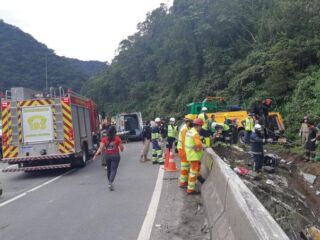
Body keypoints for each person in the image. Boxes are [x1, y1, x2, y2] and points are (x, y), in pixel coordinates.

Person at [93, 126, 124, 191]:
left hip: (107, 156)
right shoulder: (117, 138)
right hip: (115, 156)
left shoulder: (104, 139)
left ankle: (110, 182)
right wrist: (121, 147)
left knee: (109, 170)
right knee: (114, 169)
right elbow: (121, 149)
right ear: (114, 132)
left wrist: (95, 155)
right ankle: (110, 182)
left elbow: (100, 148)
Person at [185, 118, 205, 194]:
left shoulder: (190, 131)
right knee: (193, 172)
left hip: (190, 154)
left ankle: (200, 178)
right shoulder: (195, 133)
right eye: (201, 126)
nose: (201, 128)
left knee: (195, 170)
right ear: (198, 126)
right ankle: (190, 190)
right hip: (194, 156)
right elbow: (198, 145)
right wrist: (203, 147)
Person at [177, 115, 193, 188]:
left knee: (186, 167)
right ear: (189, 122)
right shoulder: (185, 129)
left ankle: (184, 181)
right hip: (183, 150)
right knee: (184, 167)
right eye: (192, 121)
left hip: (182, 150)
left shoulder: (185, 128)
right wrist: (188, 152)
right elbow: (184, 142)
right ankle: (183, 183)